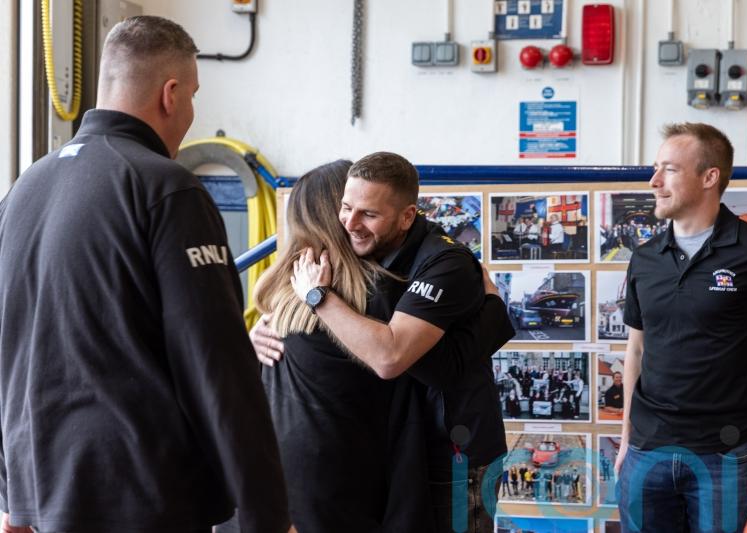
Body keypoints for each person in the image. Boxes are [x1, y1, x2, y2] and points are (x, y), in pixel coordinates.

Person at [0, 16, 292, 533]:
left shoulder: (24, 189)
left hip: (42, 493)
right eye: (193, 95)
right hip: (140, 495)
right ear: (170, 94)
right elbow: (217, 364)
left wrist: (11, 493)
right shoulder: (166, 189)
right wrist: (267, 516)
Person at [231, 160, 511, 533]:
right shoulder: (339, 291)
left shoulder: (325, 292)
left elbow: (395, 357)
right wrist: (495, 316)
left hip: (452, 452)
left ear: (405, 216)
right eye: (347, 208)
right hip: (352, 474)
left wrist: (496, 316)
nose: (352, 222)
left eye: (369, 213)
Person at [616, 122, 747, 533]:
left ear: (709, 177)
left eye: (669, 169)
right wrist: (626, 437)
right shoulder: (645, 257)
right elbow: (636, 349)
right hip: (647, 451)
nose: (654, 181)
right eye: (656, 169)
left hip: (724, 453)